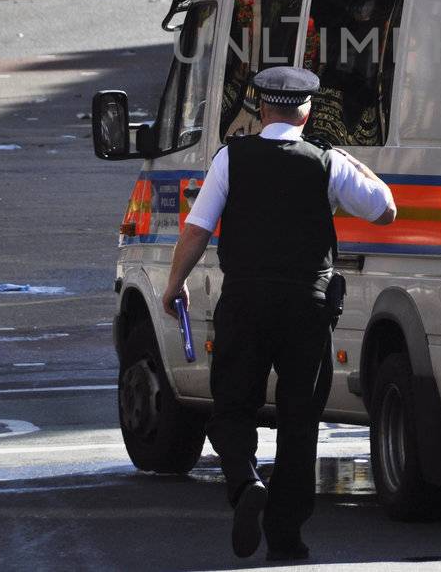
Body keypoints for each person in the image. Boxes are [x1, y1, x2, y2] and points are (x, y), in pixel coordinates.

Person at [162, 66, 396, 561]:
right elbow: (385, 210)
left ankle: (245, 481)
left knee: (230, 404)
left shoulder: (232, 158)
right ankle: (286, 538)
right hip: (306, 308)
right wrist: (356, 164)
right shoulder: (325, 162)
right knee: (299, 421)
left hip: (244, 302)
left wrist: (174, 283)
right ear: (307, 111)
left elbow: (198, 228)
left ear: (260, 109)